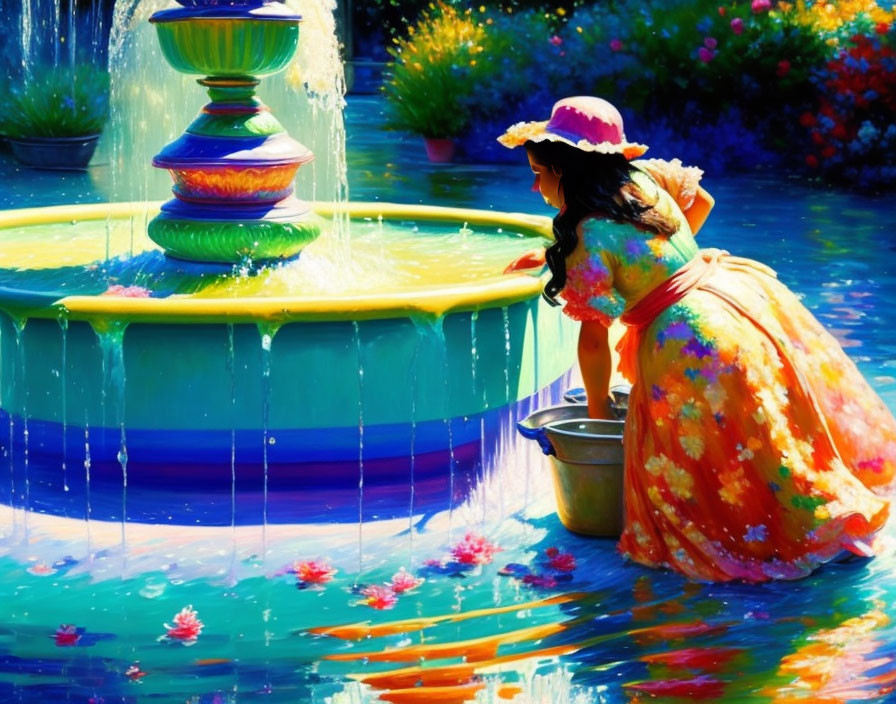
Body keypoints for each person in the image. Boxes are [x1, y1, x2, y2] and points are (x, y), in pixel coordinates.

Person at [499, 96, 896, 582]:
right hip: (727, 298)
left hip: (687, 340)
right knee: (761, 428)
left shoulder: (588, 234)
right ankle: (820, 511)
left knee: (711, 455)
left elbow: (592, 341)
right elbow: (701, 201)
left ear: (565, 169)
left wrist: (599, 413)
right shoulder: (640, 181)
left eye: (539, 171)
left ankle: (775, 535)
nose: (534, 183)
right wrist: (656, 267)